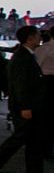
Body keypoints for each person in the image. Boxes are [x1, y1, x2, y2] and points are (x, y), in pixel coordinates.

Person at [0, 26, 52, 173]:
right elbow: (20, 84)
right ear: (30, 38)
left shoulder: (26, 55)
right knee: (21, 137)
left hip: (31, 105)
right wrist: (25, 106)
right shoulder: (22, 57)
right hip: (26, 106)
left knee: (33, 139)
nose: (40, 37)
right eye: (37, 35)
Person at [35, 29, 54, 158]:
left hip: (47, 82)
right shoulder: (45, 48)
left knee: (47, 116)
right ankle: (46, 147)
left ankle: (46, 147)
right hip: (48, 83)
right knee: (48, 116)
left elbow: (37, 66)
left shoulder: (44, 48)